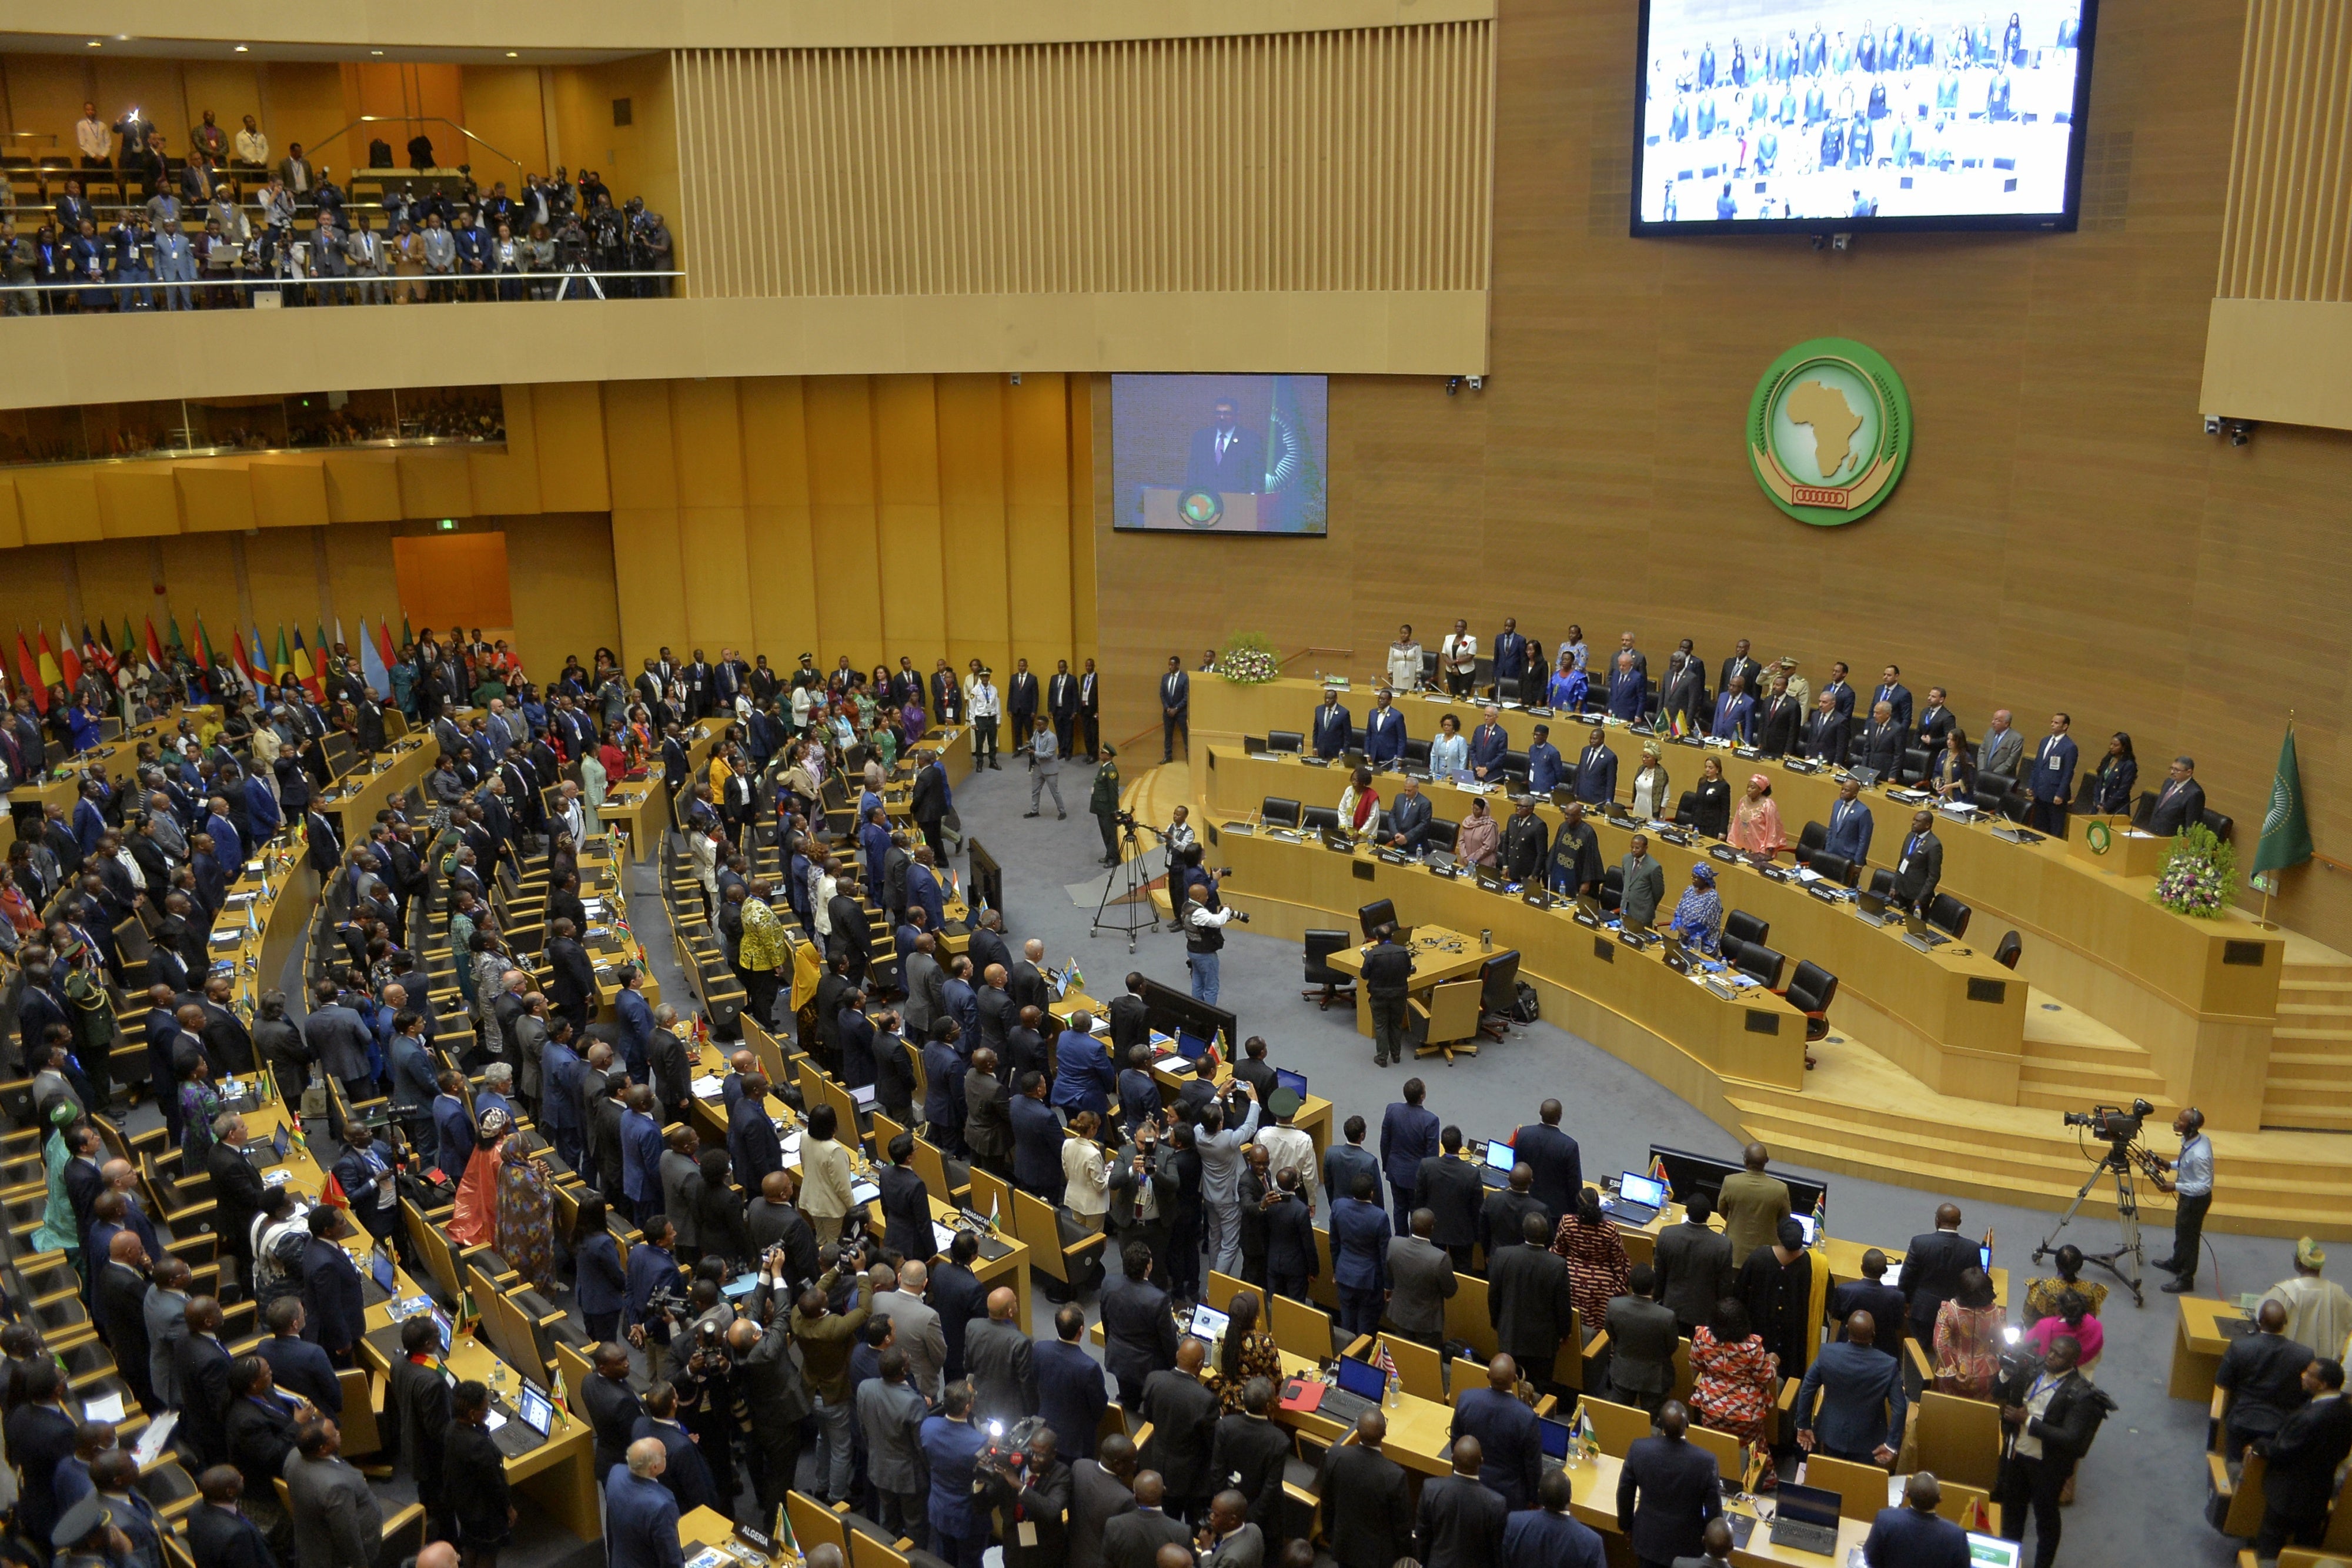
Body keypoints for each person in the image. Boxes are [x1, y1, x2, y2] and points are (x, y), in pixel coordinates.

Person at [1994, 1335, 2108, 1568]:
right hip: (2017, 1456)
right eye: (2051, 1351)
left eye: (2059, 1355)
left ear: (2074, 1361)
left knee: (2046, 1521)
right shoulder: (2035, 1370)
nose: (2051, 1357)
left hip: (2047, 1468)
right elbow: (1999, 1390)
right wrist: (2006, 1372)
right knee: (2012, 1516)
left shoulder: (2081, 1394)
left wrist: (2028, 1421)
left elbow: (2071, 1437)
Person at [2252, 1358, 2352, 1562]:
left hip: (2287, 1493)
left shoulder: (2310, 1418)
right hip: (2319, 1492)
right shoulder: (2347, 1410)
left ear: (2323, 1384)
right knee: (2304, 1549)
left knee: (2271, 1543)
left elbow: (2282, 1451)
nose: (2303, 1376)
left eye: (2309, 1374)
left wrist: (2259, 1446)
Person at [1616, 1400, 1721, 1568]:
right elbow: (1714, 1511)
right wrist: (1714, 1545)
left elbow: (1625, 1491)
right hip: (1689, 1547)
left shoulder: (1639, 1449)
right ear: (1687, 1424)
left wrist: (1626, 1526)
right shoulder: (1706, 1461)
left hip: (1647, 1541)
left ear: (1661, 1424)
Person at [1796, 1309, 1906, 1465]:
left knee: (1830, 1479)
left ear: (1847, 1329)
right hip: (1869, 1440)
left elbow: (1808, 1387)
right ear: (1873, 1334)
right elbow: (1900, 1407)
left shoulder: (1827, 1353)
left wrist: (1803, 1425)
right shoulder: (1888, 1365)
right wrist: (1891, 1444)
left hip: (1831, 1433)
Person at [2218, 1297, 2317, 1461]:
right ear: (2285, 1323)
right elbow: (2306, 1392)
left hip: (2241, 1419)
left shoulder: (2240, 1347)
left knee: (2234, 1464)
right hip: (2279, 1425)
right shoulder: (2304, 1355)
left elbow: (2223, 1381)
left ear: (2259, 1322)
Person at [1139, 1338, 1221, 1526]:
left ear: (1177, 1356)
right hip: (1193, 1479)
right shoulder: (1206, 1400)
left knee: (1166, 1521)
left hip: (1159, 1465)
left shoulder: (1154, 1380)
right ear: (1201, 1365)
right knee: (1195, 1526)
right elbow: (1212, 1443)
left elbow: (1149, 1417)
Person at [1689, 1298, 1778, 1472]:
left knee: (1715, 1448)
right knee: (1754, 1450)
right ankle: (1754, 1485)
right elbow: (1766, 1377)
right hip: (1746, 1412)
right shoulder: (1752, 1346)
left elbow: (1696, 1363)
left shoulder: (1702, 1336)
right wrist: (1773, 1363)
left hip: (1711, 1407)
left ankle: (1715, 1479)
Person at [1489, 1211, 1575, 1388]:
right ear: (1547, 1235)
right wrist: (1565, 1332)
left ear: (1524, 1232)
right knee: (1539, 1390)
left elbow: (1493, 1295)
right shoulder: (1557, 1265)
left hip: (1510, 1333)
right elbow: (1563, 1305)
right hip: (1543, 1343)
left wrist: (1497, 1322)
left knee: (1508, 1387)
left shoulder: (1503, 1255)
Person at [1453, 1356, 1541, 1509]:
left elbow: (1456, 1442)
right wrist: (1535, 1498)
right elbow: (1532, 1466)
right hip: (1508, 1499)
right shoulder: (1526, 1417)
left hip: (1467, 1489)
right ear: (1515, 1379)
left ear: (1488, 1375)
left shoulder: (1466, 1399)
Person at [1416, 1435, 1507, 1568]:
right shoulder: (1496, 1503)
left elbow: (1422, 1538)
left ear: (1452, 1458)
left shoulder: (1431, 1489)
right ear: (1481, 1461)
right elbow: (1497, 1552)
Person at [2152, 1105, 2214, 1292]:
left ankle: (2186, 1279)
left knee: (2189, 1240)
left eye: (2181, 1120)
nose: (2177, 1122)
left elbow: (2204, 1185)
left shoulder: (2200, 1153)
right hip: (2188, 1195)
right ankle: (2177, 1263)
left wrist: (2175, 1186)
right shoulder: (2195, 1140)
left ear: (2191, 1127)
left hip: (2196, 1200)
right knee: (2181, 1231)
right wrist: (2168, 1165)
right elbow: (2188, 1164)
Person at [1605, 1264, 1679, 1413]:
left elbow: (1611, 1334)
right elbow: (1672, 1346)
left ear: (1630, 1284)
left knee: (1618, 1415)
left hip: (1623, 1371)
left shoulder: (1614, 1305)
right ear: (1653, 1287)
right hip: (1655, 1378)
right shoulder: (1666, 1316)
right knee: (1651, 1424)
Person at [2263, 1236, 2352, 1359]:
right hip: (2323, 1369)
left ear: (2299, 1263)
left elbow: (2261, 1322)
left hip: (2286, 1364)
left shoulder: (2283, 1291)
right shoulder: (2338, 1292)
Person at [1861, 1473, 1970, 1568]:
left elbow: (1871, 1557)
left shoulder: (1885, 1519)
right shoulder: (1956, 1535)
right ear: (1939, 1500)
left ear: (1907, 1494)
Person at [606, 1438, 684, 1568]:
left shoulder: (615, 1473)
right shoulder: (663, 1505)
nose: (666, 1457)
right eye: (664, 1455)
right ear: (655, 1467)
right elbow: (670, 1560)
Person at [1932, 1268, 2004, 1398]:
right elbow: (2001, 1343)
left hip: (1955, 1370)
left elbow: (1939, 1344)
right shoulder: (1997, 1314)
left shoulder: (1948, 1311)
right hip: (1987, 1372)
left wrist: (1952, 1370)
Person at [1716, 1144, 1790, 1264]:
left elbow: (1722, 1210)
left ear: (1745, 1161)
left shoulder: (1730, 1182)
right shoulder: (1780, 1189)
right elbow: (1785, 1220)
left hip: (1735, 1254)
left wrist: (1736, 1220)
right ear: (1767, 1161)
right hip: (1766, 1258)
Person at [1666, 862, 1722, 955]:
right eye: (1692, 877)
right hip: (1684, 939)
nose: (1693, 880)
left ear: (1704, 880)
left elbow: (1704, 922)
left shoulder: (1713, 898)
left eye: (1696, 878)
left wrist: (1686, 930)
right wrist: (1679, 924)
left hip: (1702, 945)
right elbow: (1679, 909)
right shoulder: (1689, 890)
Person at [2082, 731, 2138, 815]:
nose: (2111, 747)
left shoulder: (2128, 765)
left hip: (2115, 808)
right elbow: (2099, 781)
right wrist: (2097, 802)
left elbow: (2123, 790)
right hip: (2099, 805)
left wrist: (2106, 807)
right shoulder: (2108, 759)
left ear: (2124, 747)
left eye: (2116, 745)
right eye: (2111, 744)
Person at [1727, 774, 1784, 856]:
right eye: (1748, 787)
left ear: (1761, 790)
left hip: (1758, 851)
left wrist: (1767, 855)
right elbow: (1736, 823)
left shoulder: (1768, 805)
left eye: (1752, 788)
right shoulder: (1743, 801)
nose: (1749, 790)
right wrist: (1731, 843)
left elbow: (1773, 831)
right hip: (1739, 847)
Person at [1160, 657, 1190, 763]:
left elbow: (1186, 697)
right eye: (1169, 665)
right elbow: (1162, 694)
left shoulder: (1184, 678)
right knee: (1168, 736)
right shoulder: (1165, 677)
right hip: (1168, 712)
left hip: (1181, 712)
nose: (1170, 667)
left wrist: (1176, 709)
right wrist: (1167, 708)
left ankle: (1189, 759)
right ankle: (1168, 757)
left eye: (1172, 665)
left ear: (1178, 665)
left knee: (1185, 736)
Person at [1456, 795, 1499, 868]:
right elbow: (1462, 840)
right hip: (1466, 862)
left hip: (1483, 863)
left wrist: (1471, 859)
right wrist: (1464, 856)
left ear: (1484, 811)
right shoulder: (1468, 821)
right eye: (1473, 809)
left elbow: (1488, 847)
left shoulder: (1489, 826)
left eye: (1478, 810)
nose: (1474, 811)